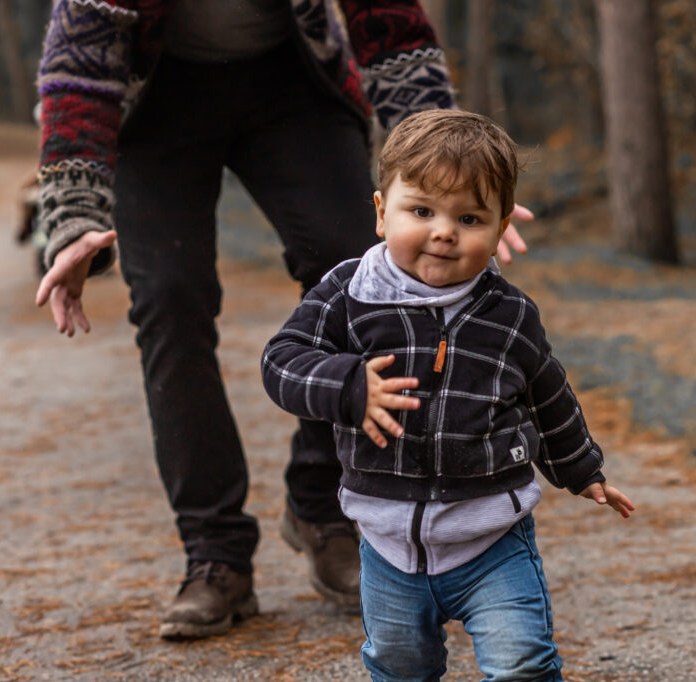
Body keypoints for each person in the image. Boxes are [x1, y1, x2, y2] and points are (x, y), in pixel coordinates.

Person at [31, 0, 531, 640]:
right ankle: (216, 553)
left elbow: (391, 27)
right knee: (170, 298)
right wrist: (74, 219)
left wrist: (457, 179)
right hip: (155, 97)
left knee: (365, 273)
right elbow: (78, 65)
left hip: (291, 82)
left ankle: (323, 505)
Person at [261, 109, 634, 681]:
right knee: (399, 667)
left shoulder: (508, 316)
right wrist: (348, 385)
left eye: (469, 217)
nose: (444, 231)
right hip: (386, 543)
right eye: (421, 211)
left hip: (491, 536)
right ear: (383, 213)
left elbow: (547, 394)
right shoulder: (347, 295)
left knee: (523, 664)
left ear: (501, 225)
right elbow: (280, 362)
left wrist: (581, 467)